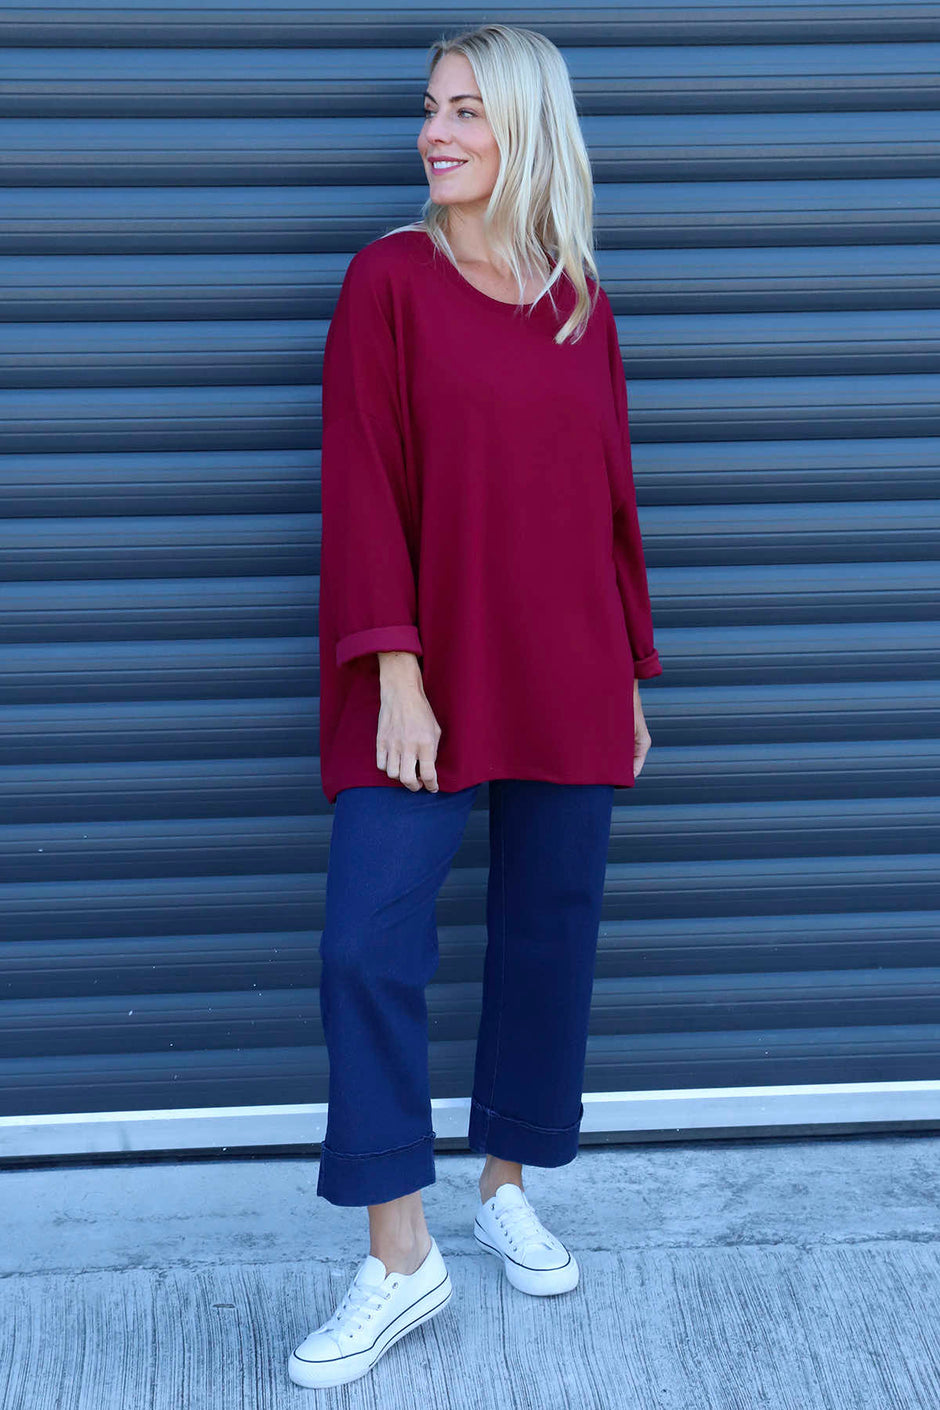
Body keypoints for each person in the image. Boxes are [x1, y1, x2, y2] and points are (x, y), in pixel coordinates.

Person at [288, 22, 662, 1391]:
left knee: (549, 930)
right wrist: (394, 669)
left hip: (567, 660)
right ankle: (401, 1256)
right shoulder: (387, 281)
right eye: (431, 109)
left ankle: (505, 1179)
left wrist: (629, 667)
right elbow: (360, 483)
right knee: (365, 942)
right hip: (425, 670)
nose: (435, 134)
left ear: (526, 128)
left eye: (466, 111)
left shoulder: (579, 301)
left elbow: (610, 498)